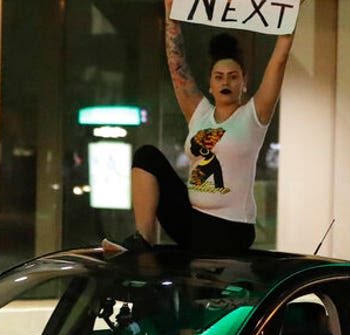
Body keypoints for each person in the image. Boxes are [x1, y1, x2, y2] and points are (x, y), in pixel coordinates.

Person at [123, 0, 296, 255]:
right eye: (219, 76)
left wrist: (291, 18)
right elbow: (177, 65)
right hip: (193, 222)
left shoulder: (254, 115)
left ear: (244, 83)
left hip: (230, 229)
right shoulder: (200, 112)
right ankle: (144, 241)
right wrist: (171, 17)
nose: (226, 81)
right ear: (211, 84)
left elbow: (279, 62)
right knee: (147, 156)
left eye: (233, 76)